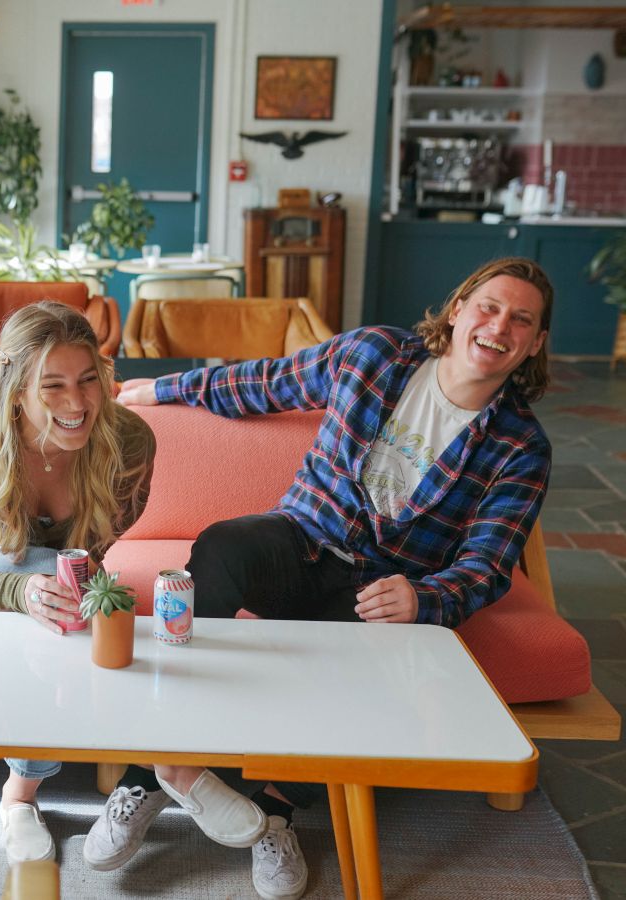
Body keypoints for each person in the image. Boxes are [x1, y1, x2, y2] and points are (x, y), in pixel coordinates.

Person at [91, 257, 553, 900]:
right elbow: (265, 381)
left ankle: (274, 815)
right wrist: (165, 389)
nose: (499, 325)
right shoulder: (373, 355)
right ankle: (151, 771)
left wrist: (426, 597)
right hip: (300, 541)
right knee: (224, 545)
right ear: (457, 311)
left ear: (534, 343)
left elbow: (490, 565)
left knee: (358, 667)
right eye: (489, 306)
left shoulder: (520, 446)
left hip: (380, 589)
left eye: (521, 319)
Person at [0, 300, 172, 865]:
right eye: (52, 386)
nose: (77, 403)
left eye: (88, 381)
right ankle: (20, 795)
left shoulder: (131, 441)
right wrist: (23, 591)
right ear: (15, 390)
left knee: (84, 607)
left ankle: (173, 765)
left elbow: (102, 540)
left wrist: (71, 578)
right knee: (30, 572)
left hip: (63, 570)